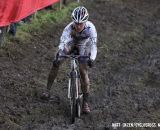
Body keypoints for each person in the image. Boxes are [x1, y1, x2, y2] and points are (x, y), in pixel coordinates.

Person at [43, 6, 97, 114]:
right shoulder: (68, 28)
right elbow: (62, 43)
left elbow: (93, 46)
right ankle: (47, 90)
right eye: (76, 23)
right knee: (56, 63)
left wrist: (91, 58)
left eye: (80, 23)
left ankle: (85, 103)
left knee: (83, 72)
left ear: (85, 22)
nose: (77, 26)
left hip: (84, 45)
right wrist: (58, 56)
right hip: (71, 43)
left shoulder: (91, 29)